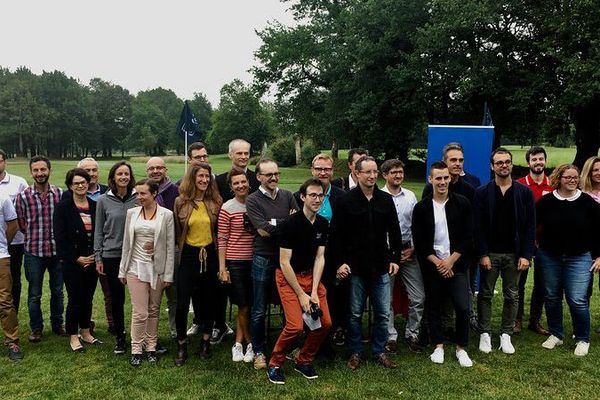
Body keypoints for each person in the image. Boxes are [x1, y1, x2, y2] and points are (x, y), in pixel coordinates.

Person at [330, 155, 401, 370]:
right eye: (367, 172)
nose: (372, 176)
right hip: (355, 268)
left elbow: (395, 232)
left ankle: (379, 351)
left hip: (380, 266)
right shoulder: (345, 200)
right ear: (357, 173)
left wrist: (395, 259)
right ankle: (355, 352)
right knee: (354, 314)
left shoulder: (385, 200)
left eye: (375, 172)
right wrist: (340, 263)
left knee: (382, 312)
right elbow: (336, 236)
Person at [267, 178, 332, 384]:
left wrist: (313, 291)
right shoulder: (289, 225)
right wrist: (301, 294)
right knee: (295, 326)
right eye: (312, 195)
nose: (317, 199)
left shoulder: (323, 223)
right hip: (288, 277)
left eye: (320, 195)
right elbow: (284, 263)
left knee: (325, 323)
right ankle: (275, 363)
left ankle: (303, 360)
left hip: (311, 277)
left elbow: (320, 258)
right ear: (302, 197)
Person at [474, 147, 535, 355]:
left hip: (514, 254)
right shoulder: (482, 192)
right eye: (499, 162)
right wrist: (482, 253)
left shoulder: (524, 193)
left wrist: (526, 255)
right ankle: (484, 333)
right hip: (490, 253)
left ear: (511, 164)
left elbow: (530, 226)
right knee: (485, 294)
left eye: (507, 161)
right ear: (492, 166)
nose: (503, 165)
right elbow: (478, 226)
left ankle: (506, 334)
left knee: (512, 295)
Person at [412, 161, 474, 367]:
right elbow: (420, 242)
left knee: (463, 307)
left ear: (450, 178)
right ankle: (438, 345)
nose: (442, 182)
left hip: (456, 264)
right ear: (430, 180)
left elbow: (467, 237)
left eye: (445, 177)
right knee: (434, 307)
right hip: (433, 265)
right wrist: (439, 263)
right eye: (438, 178)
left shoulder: (462, 203)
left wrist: (450, 262)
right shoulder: (421, 208)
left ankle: (461, 348)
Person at [537, 164, 600, 356]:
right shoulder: (546, 201)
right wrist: (536, 244)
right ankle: (556, 334)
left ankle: (582, 338)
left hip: (579, 257)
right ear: (559, 178)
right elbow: (532, 223)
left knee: (577, 299)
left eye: (575, 177)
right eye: (568, 177)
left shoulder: (588, 202)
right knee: (552, 296)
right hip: (550, 256)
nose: (572, 180)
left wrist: (598, 255)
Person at [246, 159, 298, 370]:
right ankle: (259, 351)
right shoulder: (253, 200)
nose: (274, 177)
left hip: (286, 258)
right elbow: (262, 230)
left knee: (289, 305)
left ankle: (290, 347)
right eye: (269, 174)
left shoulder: (287, 195)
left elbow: (298, 223)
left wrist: (277, 224)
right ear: (259, 177)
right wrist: (285, 224)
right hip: (263, 258)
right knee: (259, 308)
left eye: (276, 173)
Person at [118, 179, 175, 367]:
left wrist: (168, 275)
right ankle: (136, 348)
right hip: (135, 267)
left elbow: (168, 246)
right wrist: (122, 270)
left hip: (156, 269)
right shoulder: (131, 213)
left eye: (143, 193)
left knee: (153, 310)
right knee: (140, 312)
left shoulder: (166, 215)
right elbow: (127, 243)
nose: (139, 197)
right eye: (137, 193)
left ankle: (151, 347)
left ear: (154, 194)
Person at [294, 153, 347, 347]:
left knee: (333, 297)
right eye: (319, 169)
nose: (323, 172)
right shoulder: (298, 196)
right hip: (308, 259)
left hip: (334, 257)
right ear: (312, 170)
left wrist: (342, 261)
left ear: (332, 172)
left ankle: (331, 335)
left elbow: (346, 232)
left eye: (327, 169)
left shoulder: (342, 197)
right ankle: (308, 336)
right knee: (310, 296)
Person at [173, 162, 222, 366]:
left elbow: (221, 232)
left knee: (209, 300)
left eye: (207, 176)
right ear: (192, 178)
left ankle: (205, 341)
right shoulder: (180, 202)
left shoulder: (216, 201)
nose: (204, 180)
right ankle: (182, 344)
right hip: (189, 256)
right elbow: (176, 233)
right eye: (200, 176)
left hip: (210, 254)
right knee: (182, 303)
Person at [213, 139, 259, 345]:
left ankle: (246, 339)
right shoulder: (220, 181)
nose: (242, 157)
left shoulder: (257, 179)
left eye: (246, 153)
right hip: (231, 250)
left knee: (250, 301)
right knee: (238, 299)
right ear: (230, 155)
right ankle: (223, 327)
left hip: (256, 251)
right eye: (238, 153)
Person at [15, 155, 64, 342]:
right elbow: (21, 223)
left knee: (58, 290)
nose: (40, 173)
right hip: (33, 252)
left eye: (43, 169)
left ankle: (58, 324)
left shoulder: (60, 194)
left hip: (56, 251)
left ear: (49, 170)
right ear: (31, 172)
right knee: (34, 293)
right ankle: (36, 328)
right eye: (36, 170)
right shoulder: (23, 197)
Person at [380, 159, 425, 353]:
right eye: (393, 173)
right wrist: (392, 254)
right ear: (384, 175)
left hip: (409, 252)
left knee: (418, 296)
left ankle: (412, 333)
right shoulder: (379, 196)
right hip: (387, 254)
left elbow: (416, 225)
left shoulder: (410, 196)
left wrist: (413, 248)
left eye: (400, 172)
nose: (398, 175)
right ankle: (390, 336)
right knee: (386, 298)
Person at [54, 168, 100, 352]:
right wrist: (75, 258)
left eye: (83, 182)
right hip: (72, 262)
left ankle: (86, 331)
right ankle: (73, 335)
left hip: (92, 260)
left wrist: (94, 257)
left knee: (88, 298)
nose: (80, 186)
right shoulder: (63, 207)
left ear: (88, 183)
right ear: (70, 186)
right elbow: (60, 237)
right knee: (75, 299)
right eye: (76, 183)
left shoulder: (94, 205)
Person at [94, 161, 138, 355]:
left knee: (139, 300)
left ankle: (141, 336)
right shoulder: (104, 200)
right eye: (119, 174)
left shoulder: (138, 197)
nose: (123, 177)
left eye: (126, 174)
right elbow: (98, 231)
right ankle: (120, 335)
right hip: (112, 255)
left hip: (136, 254)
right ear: (112, 178)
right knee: (116, 298)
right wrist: (98, 257)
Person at [217, 168, 255, 363]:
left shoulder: (256, 203)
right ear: (231, 188)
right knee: (243, 304)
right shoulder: (227, 208)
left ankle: (240, 342)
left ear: (248, 182)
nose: (241, 186)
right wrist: (222, 268)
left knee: (250, 305)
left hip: (255, 260)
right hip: (235, 262)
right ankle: (247, 344)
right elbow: (222, 239)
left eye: (243, 182)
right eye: (236, 183)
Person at [515, 146, 551, 335]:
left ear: (545, 161)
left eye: (541, 159)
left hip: (546, 243)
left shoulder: (552, 184)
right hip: (524, 242)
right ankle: (517, 320)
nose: (538, 162)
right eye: (534, 159)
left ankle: (534, 321)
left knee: (542, 283)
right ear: (528, 162)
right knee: (519, 282)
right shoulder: (519, 184)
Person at [146, 157, 179, 344]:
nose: (156, 171)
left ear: (165, 170)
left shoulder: (175, 192)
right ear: (147, 171)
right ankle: (151, 333)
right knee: (151, 296)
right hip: (148, 251)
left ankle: (175, 329)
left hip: (171, 248)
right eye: (152, 168)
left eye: (159, 168)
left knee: (173, 294)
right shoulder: (142, 192)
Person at [78, 157, 112, 335]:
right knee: (85, 292)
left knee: (109, 290)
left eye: (94, 170)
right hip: (84, 252)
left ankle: (113, 323)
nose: (91, 174)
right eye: (87, 171)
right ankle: (86, 322)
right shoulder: (71, 194)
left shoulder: (109, 192)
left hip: (106, 249)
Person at [0, 149, 28, 313]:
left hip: (15, 241)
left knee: (14, 278)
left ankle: (13, 310)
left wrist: (7, 241)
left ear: (5, 162)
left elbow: (26, 208)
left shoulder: (18, 182)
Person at [0, 191, 24, 361]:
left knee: (5, 300)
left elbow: (13, 225)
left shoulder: (2, 198)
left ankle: (12, 341)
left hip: (0, 257)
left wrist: (3, 245)